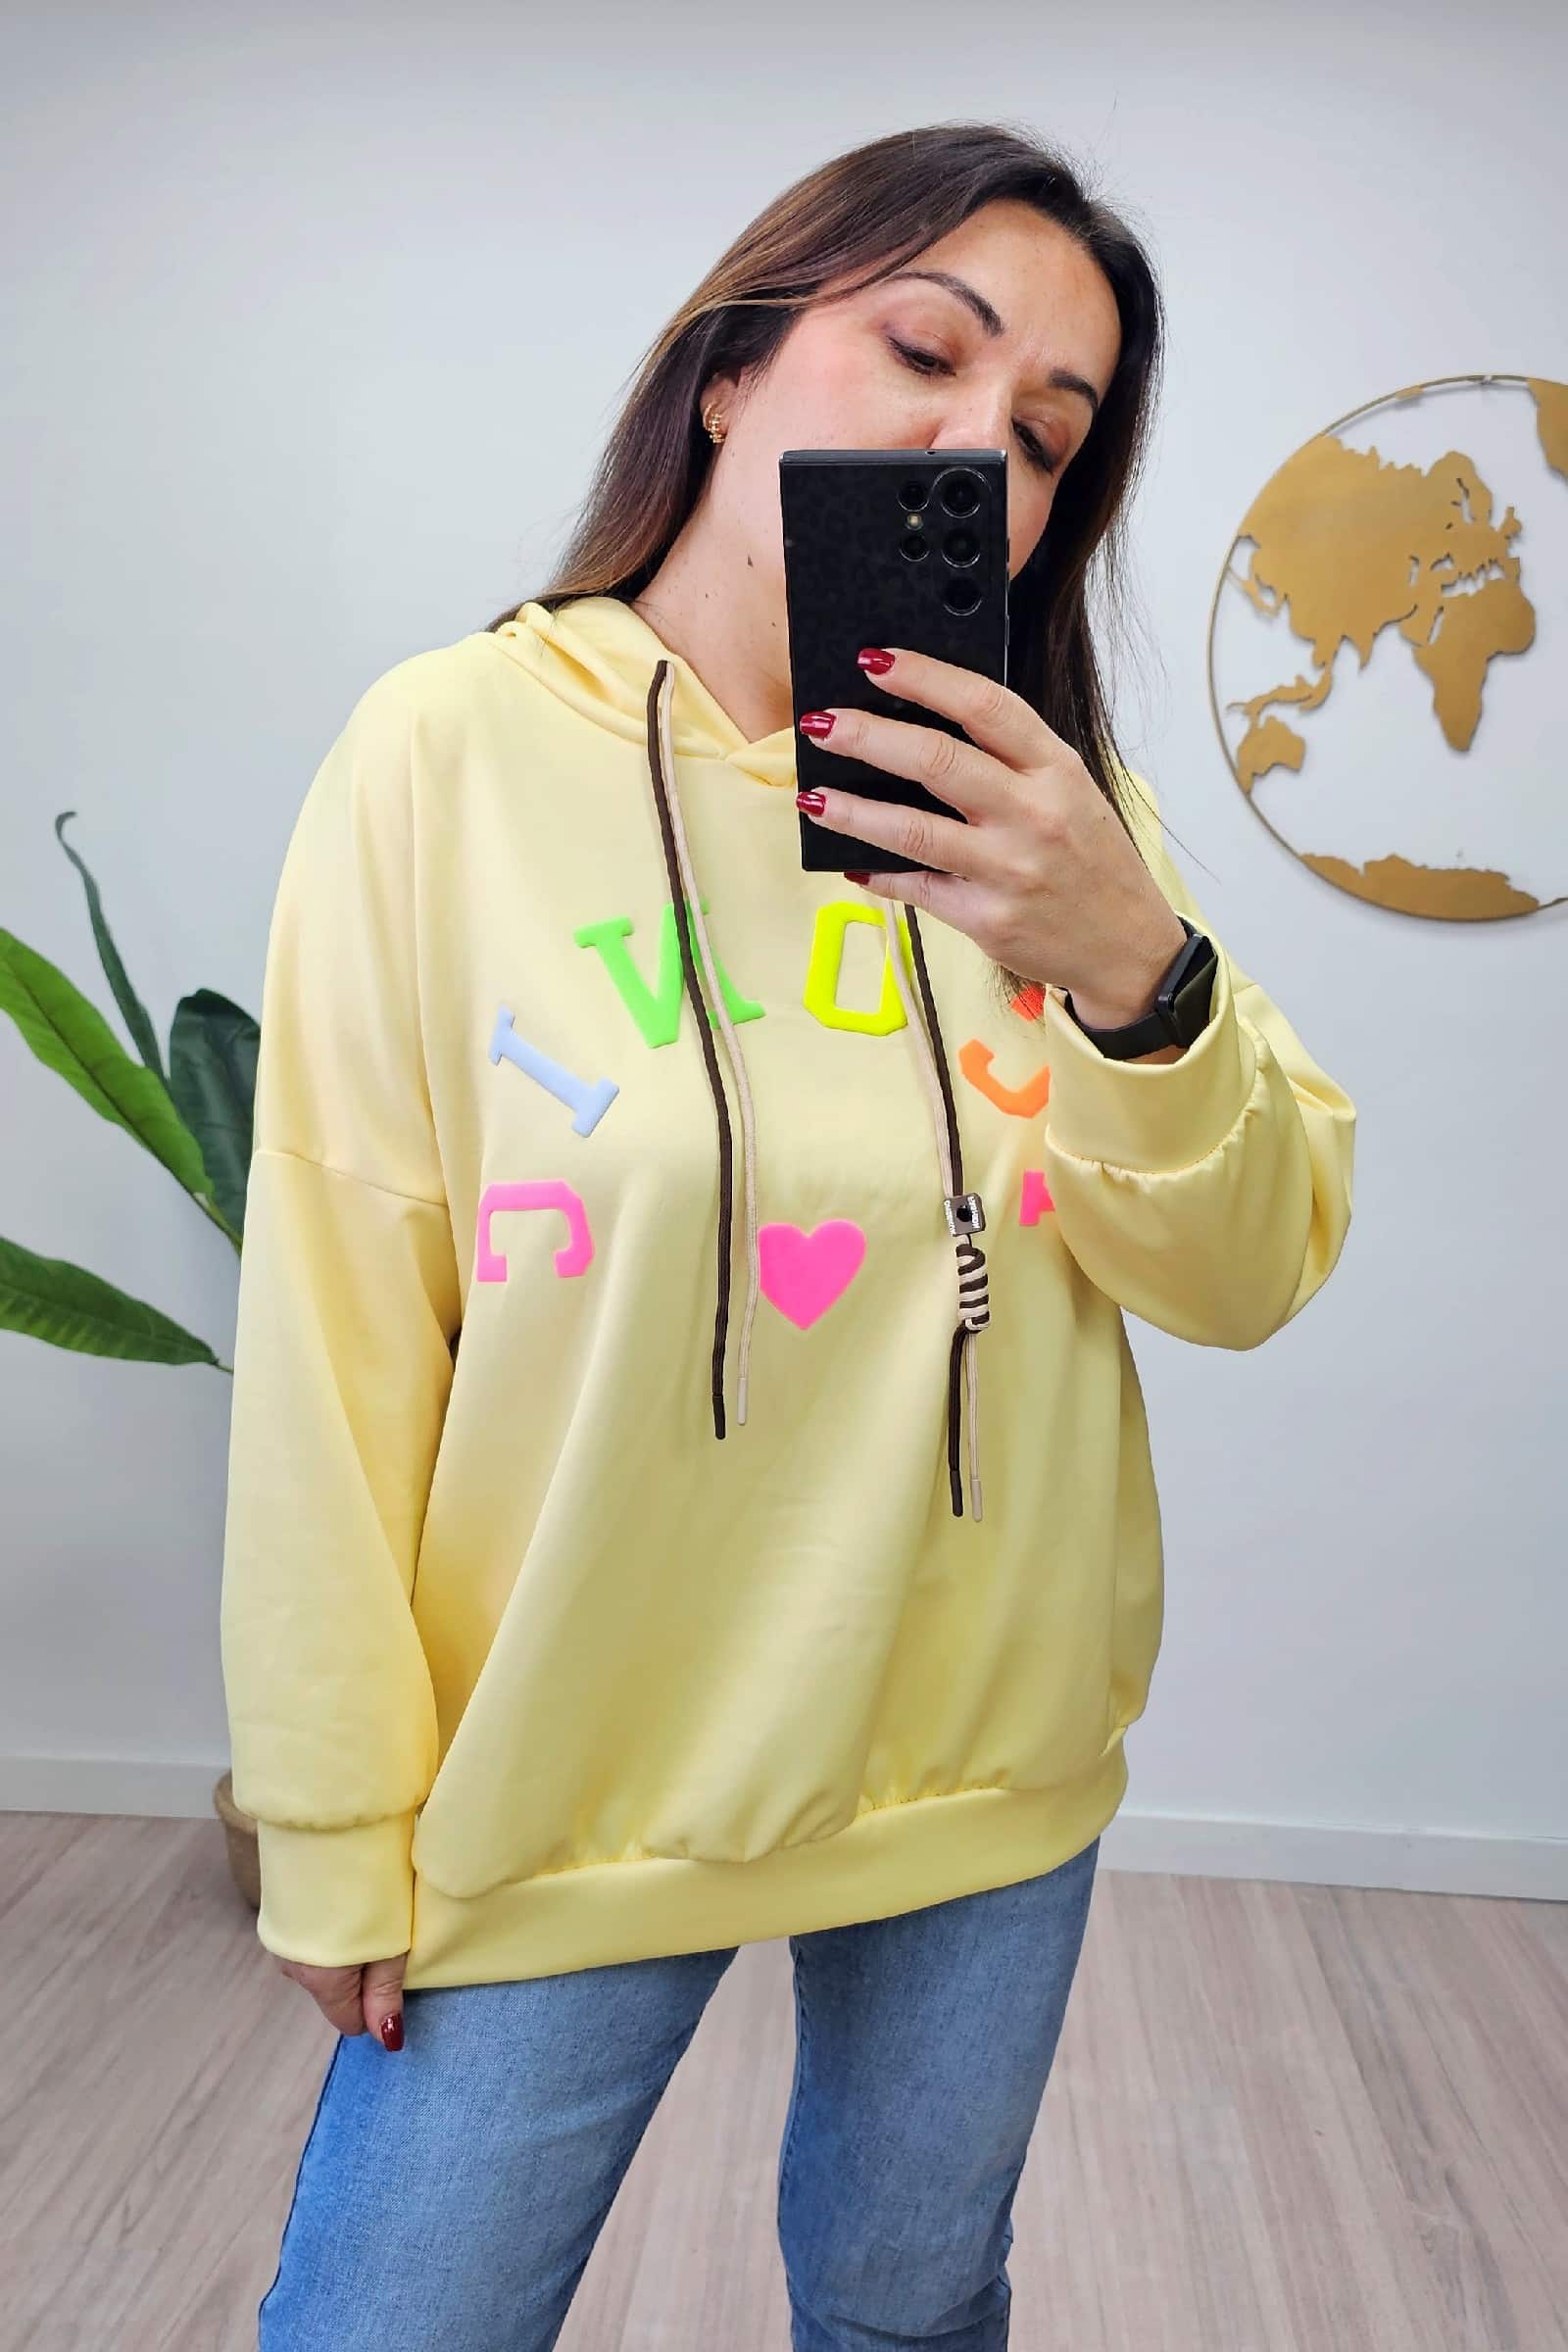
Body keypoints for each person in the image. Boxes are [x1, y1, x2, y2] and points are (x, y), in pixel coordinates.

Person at [220, 120, 1356, 2352]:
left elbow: (1244, 1270)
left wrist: (1129, 966)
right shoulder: (447, 755)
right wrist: (333, 1812)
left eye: (1045, 436)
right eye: (923, 351)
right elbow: (341, 1306)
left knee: (910, 2310)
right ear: (730, 368)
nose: (976, 446)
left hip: (982, 1772)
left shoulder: (1053, 817)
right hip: (573, 1784)